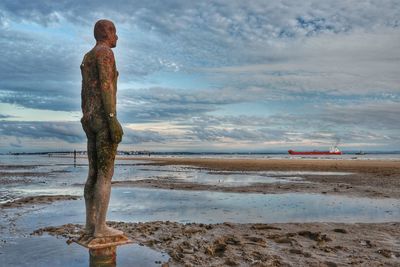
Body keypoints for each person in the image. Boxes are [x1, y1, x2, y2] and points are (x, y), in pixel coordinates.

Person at [80, 19, 123, 238]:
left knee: (93, 173)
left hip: (88, 118)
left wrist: (86, 115)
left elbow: (84, 91)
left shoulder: (87, 57)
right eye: (115, 33)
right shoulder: (105, 53)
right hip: (103, 119)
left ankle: (90, 225)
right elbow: (106, 86)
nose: (117, 38)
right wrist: (112, 118)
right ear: (107, 33)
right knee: (105, 174)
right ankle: (100, 227)